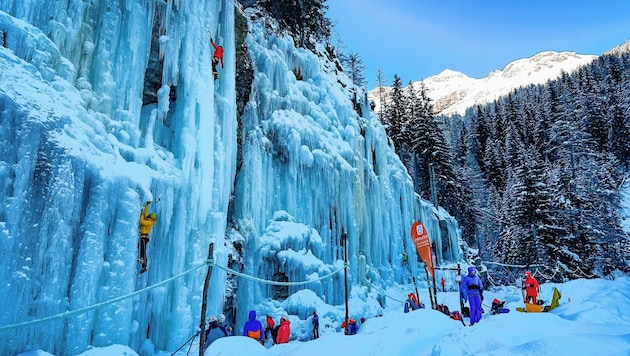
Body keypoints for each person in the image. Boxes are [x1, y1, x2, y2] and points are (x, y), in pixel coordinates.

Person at [138, 200, 157, 274]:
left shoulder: (149, 222)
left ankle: (144, 265)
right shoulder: (149, 220)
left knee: (143, 250)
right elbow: (146, 214)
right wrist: (146, 205)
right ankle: (141, 259)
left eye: (150, 215)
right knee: (140, 248)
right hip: (142, 237)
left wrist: (141, 214)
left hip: (144, 237)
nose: (148, 215)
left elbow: (141, 222)